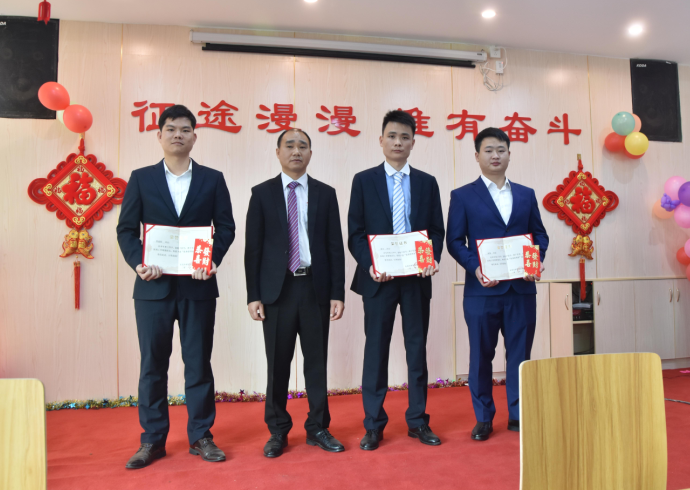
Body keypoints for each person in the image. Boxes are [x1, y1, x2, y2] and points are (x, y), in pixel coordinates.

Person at [117, 105, 235, 468]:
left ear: (195, 137)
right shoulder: (141, 178)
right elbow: (126, 230)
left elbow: (226, 227)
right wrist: (139, 263)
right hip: (152, 287)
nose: (178, 135)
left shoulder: (212, 179)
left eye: (185, 129)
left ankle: (201, 436)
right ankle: (152, 440)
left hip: (198, 287)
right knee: (152, 365)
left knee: (198, 363)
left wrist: (211, 260)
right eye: (171, 129)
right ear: (159, 136)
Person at [245, 128, 346, 458]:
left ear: (311, 154)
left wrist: (337, 293)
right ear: (278, 152)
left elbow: (334, 246)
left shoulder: (325, 194)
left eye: (303, 146)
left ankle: (318, 427)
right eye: (289, 145)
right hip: (277, 291)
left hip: (315, 287)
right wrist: (253, 295)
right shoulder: (262, 194)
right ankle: (277, 430)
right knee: (278, 364)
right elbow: (253, 249)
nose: (296, 151)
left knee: (316, 363)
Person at [348, 110, 445, 451]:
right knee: (376, 351)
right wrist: (370, 264)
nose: (398, 142)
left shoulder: (427, 182)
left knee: (416, 350)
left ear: (413, 142)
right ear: (381, 140)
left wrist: (431, 257)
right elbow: (356, 233)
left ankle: (418, 421)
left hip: (416, 279)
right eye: (392, 136)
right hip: (379, 280)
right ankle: (373, 424)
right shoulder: (363, 180)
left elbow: (436, 230)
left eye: (405, 137)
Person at [446, 127, 549, 441]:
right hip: (482, 290)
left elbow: (539, 234)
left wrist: (535, 259)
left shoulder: (526, 194)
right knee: (481, 356)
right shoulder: (462, 196)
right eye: (489, 150)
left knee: (520, 355)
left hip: (521, 289)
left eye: (501, 150)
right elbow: (454, 241)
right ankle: (484, 417)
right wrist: (475, 267)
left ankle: (517, 414)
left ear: (509, 154)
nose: (495, 156)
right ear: (477, 155)